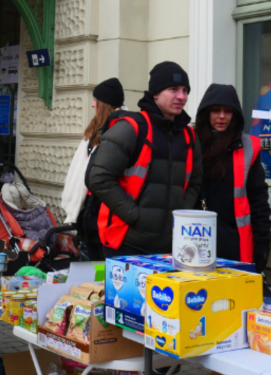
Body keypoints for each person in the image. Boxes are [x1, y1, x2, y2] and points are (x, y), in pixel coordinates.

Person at [87, 62, 203, 256]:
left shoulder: (189, 136)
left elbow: (195, 183)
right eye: (173, 89)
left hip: (170, 247)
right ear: (155, 93)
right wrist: (136, 216)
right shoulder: (131, 128)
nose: (181, 97)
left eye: (185, 90)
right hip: (126, 244)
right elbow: (98, 178)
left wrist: (180, 214)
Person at [194, 84, 271, 271]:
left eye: (228, 111)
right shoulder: (189, 142)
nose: (222, 116)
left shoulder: (248, 146)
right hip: (192, 237)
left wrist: (262, 244)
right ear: (206, 113)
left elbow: (258, 198)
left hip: (232, 242)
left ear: (235, 115)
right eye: (216, 110)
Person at [61, 78, 125, 260]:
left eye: (95, 100)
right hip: (90, 217)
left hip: (105, 218)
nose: (92, 104)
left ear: (103, 105)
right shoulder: (95, 130)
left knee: (101, 270)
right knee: (92, 271)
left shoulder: (120, 131)